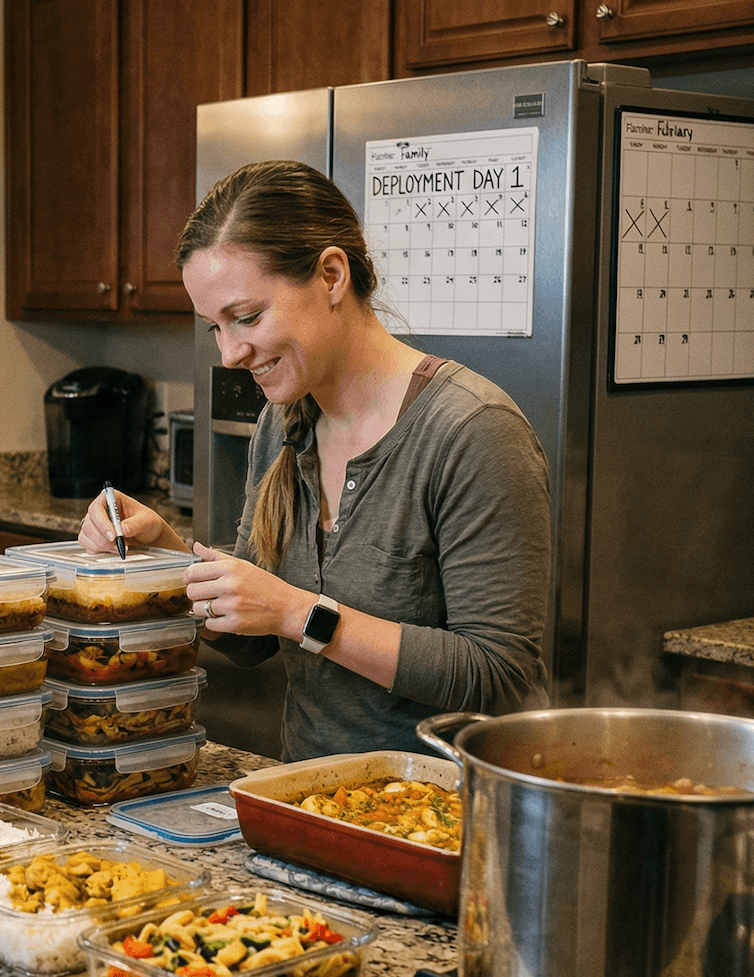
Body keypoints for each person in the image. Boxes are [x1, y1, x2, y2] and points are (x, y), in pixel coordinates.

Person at [79, 160, 552, 760]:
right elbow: (254, 639)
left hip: (439, 814)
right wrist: (165, 554)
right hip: (311, 799)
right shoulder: (281, 425)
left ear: (331, 275)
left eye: (247, 317)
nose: (230, 352)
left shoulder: (472, 433)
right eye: (215, 328)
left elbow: (498, 676)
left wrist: (301, 613)